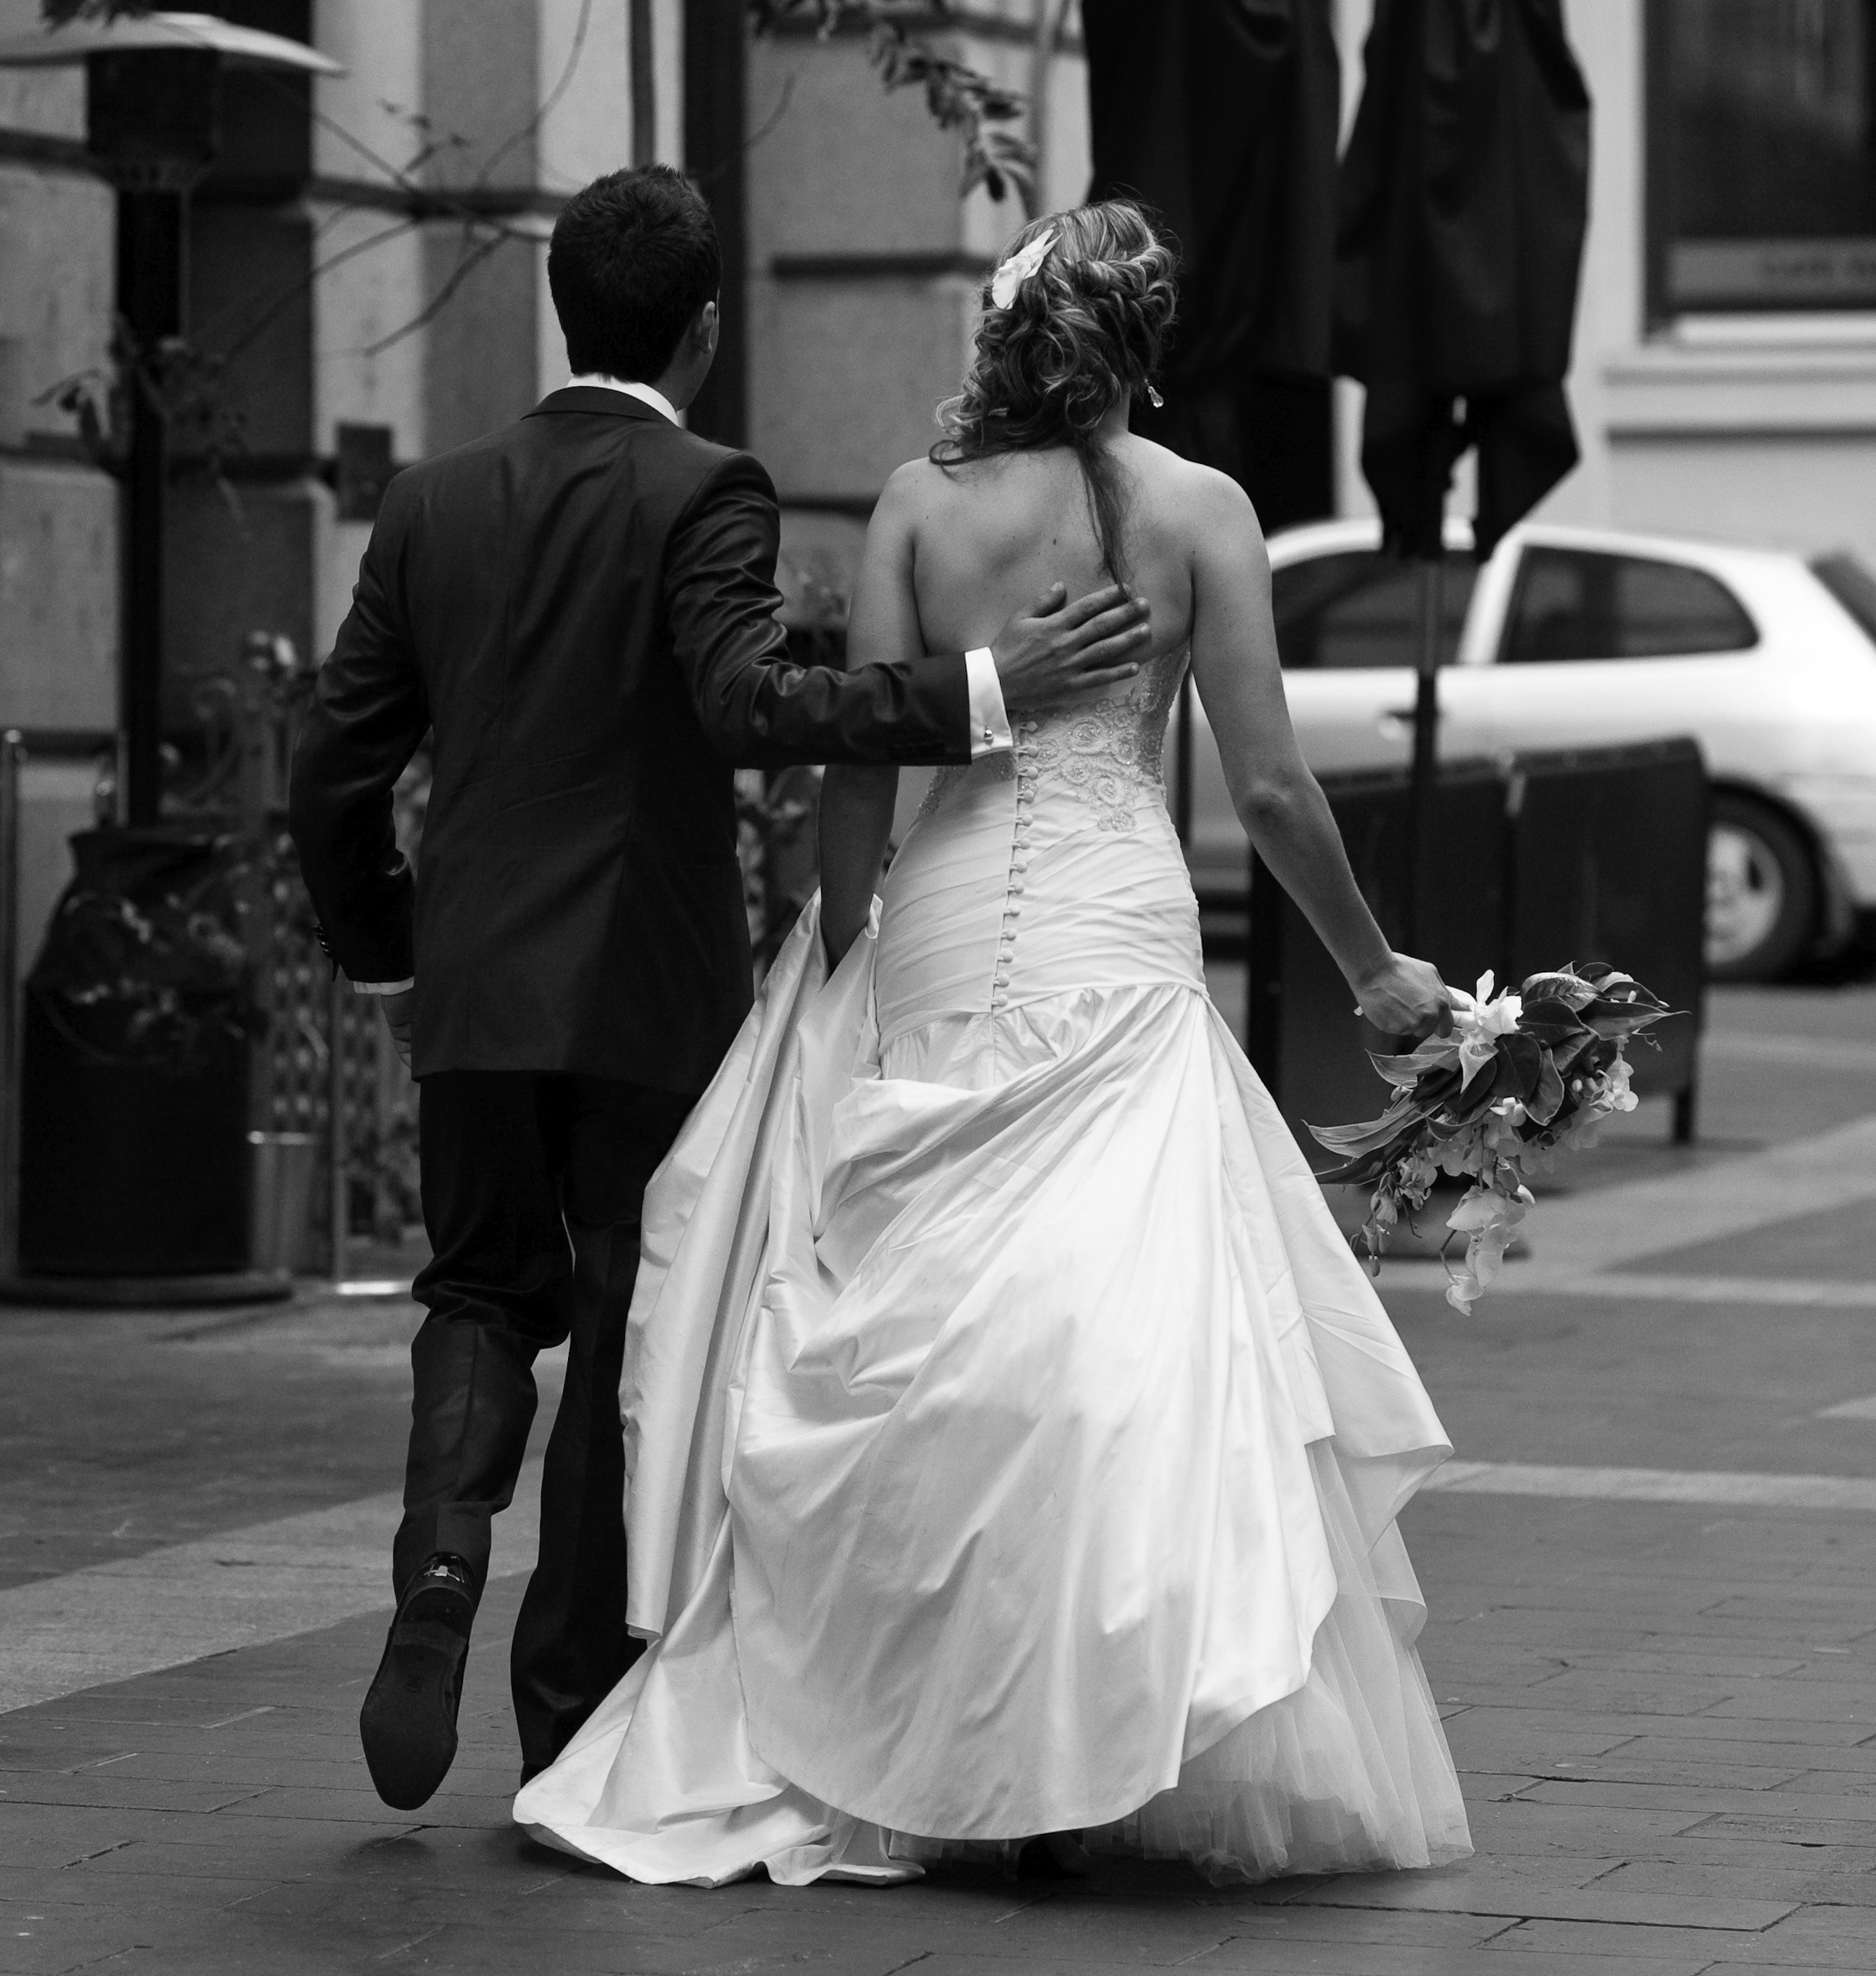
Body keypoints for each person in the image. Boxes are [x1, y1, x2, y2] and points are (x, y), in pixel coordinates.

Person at [509, 201, 1474, 1886]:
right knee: (1117, 1335)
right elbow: (1265, 787)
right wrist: (1373, 968)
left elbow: (861, 767)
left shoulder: (917, 504)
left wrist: (841, 955)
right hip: (1116, 933)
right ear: (1143, 344)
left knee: (935, 1319)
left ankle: (929, 1717)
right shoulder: (1201, 511)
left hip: (948, 925)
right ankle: (1090, 1720)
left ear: (1008, 335)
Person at [288, 164, 1155, 1812]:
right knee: (627, 1319)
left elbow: (333, 762)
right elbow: (751, 705)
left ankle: (441, 1567)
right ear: (702, 327)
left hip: (475, 988)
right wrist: (987, 685)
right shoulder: (705, 486)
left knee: (478, 1293)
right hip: (639, 986)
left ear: (565, 310)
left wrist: (393, 942)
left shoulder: (430, 501)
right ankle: (566, 1719)